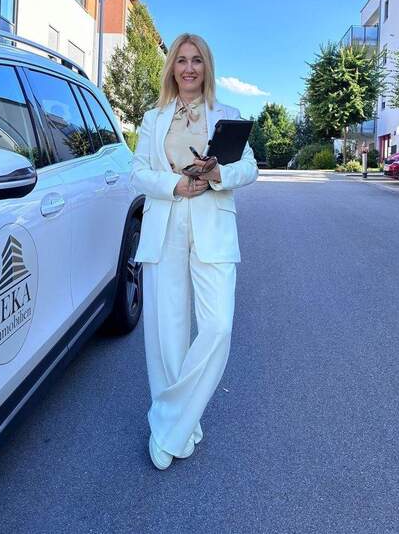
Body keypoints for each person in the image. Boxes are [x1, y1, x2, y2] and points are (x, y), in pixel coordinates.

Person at [131, 33, 258, 470]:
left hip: (213, 225)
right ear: (172, 67)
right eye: (182, 60)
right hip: (166, 220)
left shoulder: (228, 116)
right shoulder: (153, 119)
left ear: (207, 67)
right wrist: (175, 185)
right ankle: (179, 426)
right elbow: (137, 172)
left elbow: (250, 167)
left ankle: (169, 421)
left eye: (197, 60)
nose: (189, 68)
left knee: (218, 326)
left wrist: (218, 173)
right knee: (167, 332)